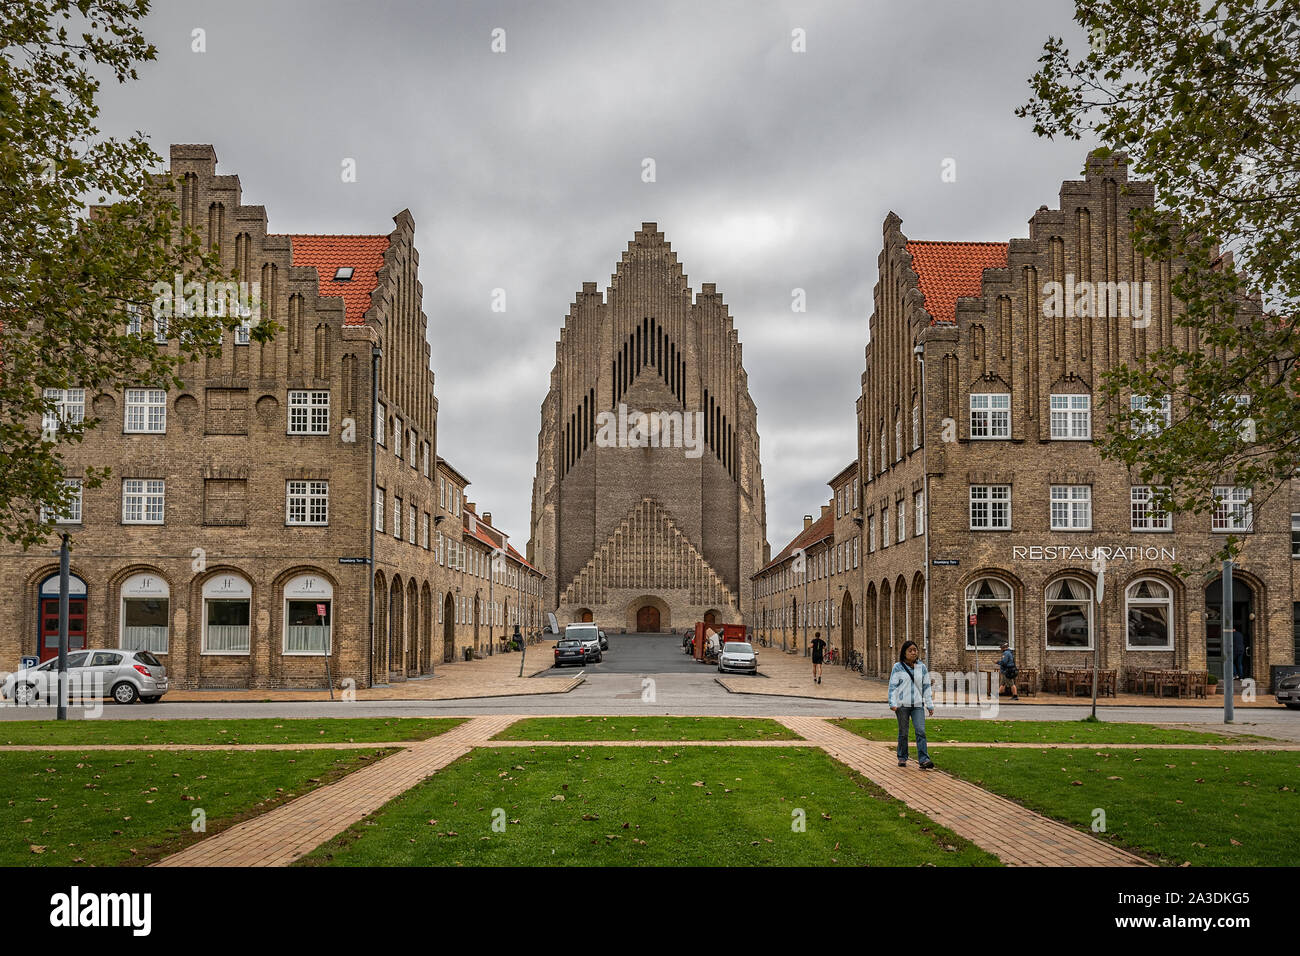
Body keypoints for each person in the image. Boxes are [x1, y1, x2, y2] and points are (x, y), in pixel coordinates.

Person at [888, 640, 934, 769]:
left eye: (915, 650)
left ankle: (924, 759)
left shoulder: (922, 667)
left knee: (921, 731)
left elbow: (926, 687)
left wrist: (929, 705)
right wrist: (892, 702)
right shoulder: (898, 667)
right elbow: (893, 686)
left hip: (918, 705)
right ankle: (902, 757)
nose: (914, 652)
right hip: (902, 705)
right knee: (903, 732)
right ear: (904, 653)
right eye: (910, 650)